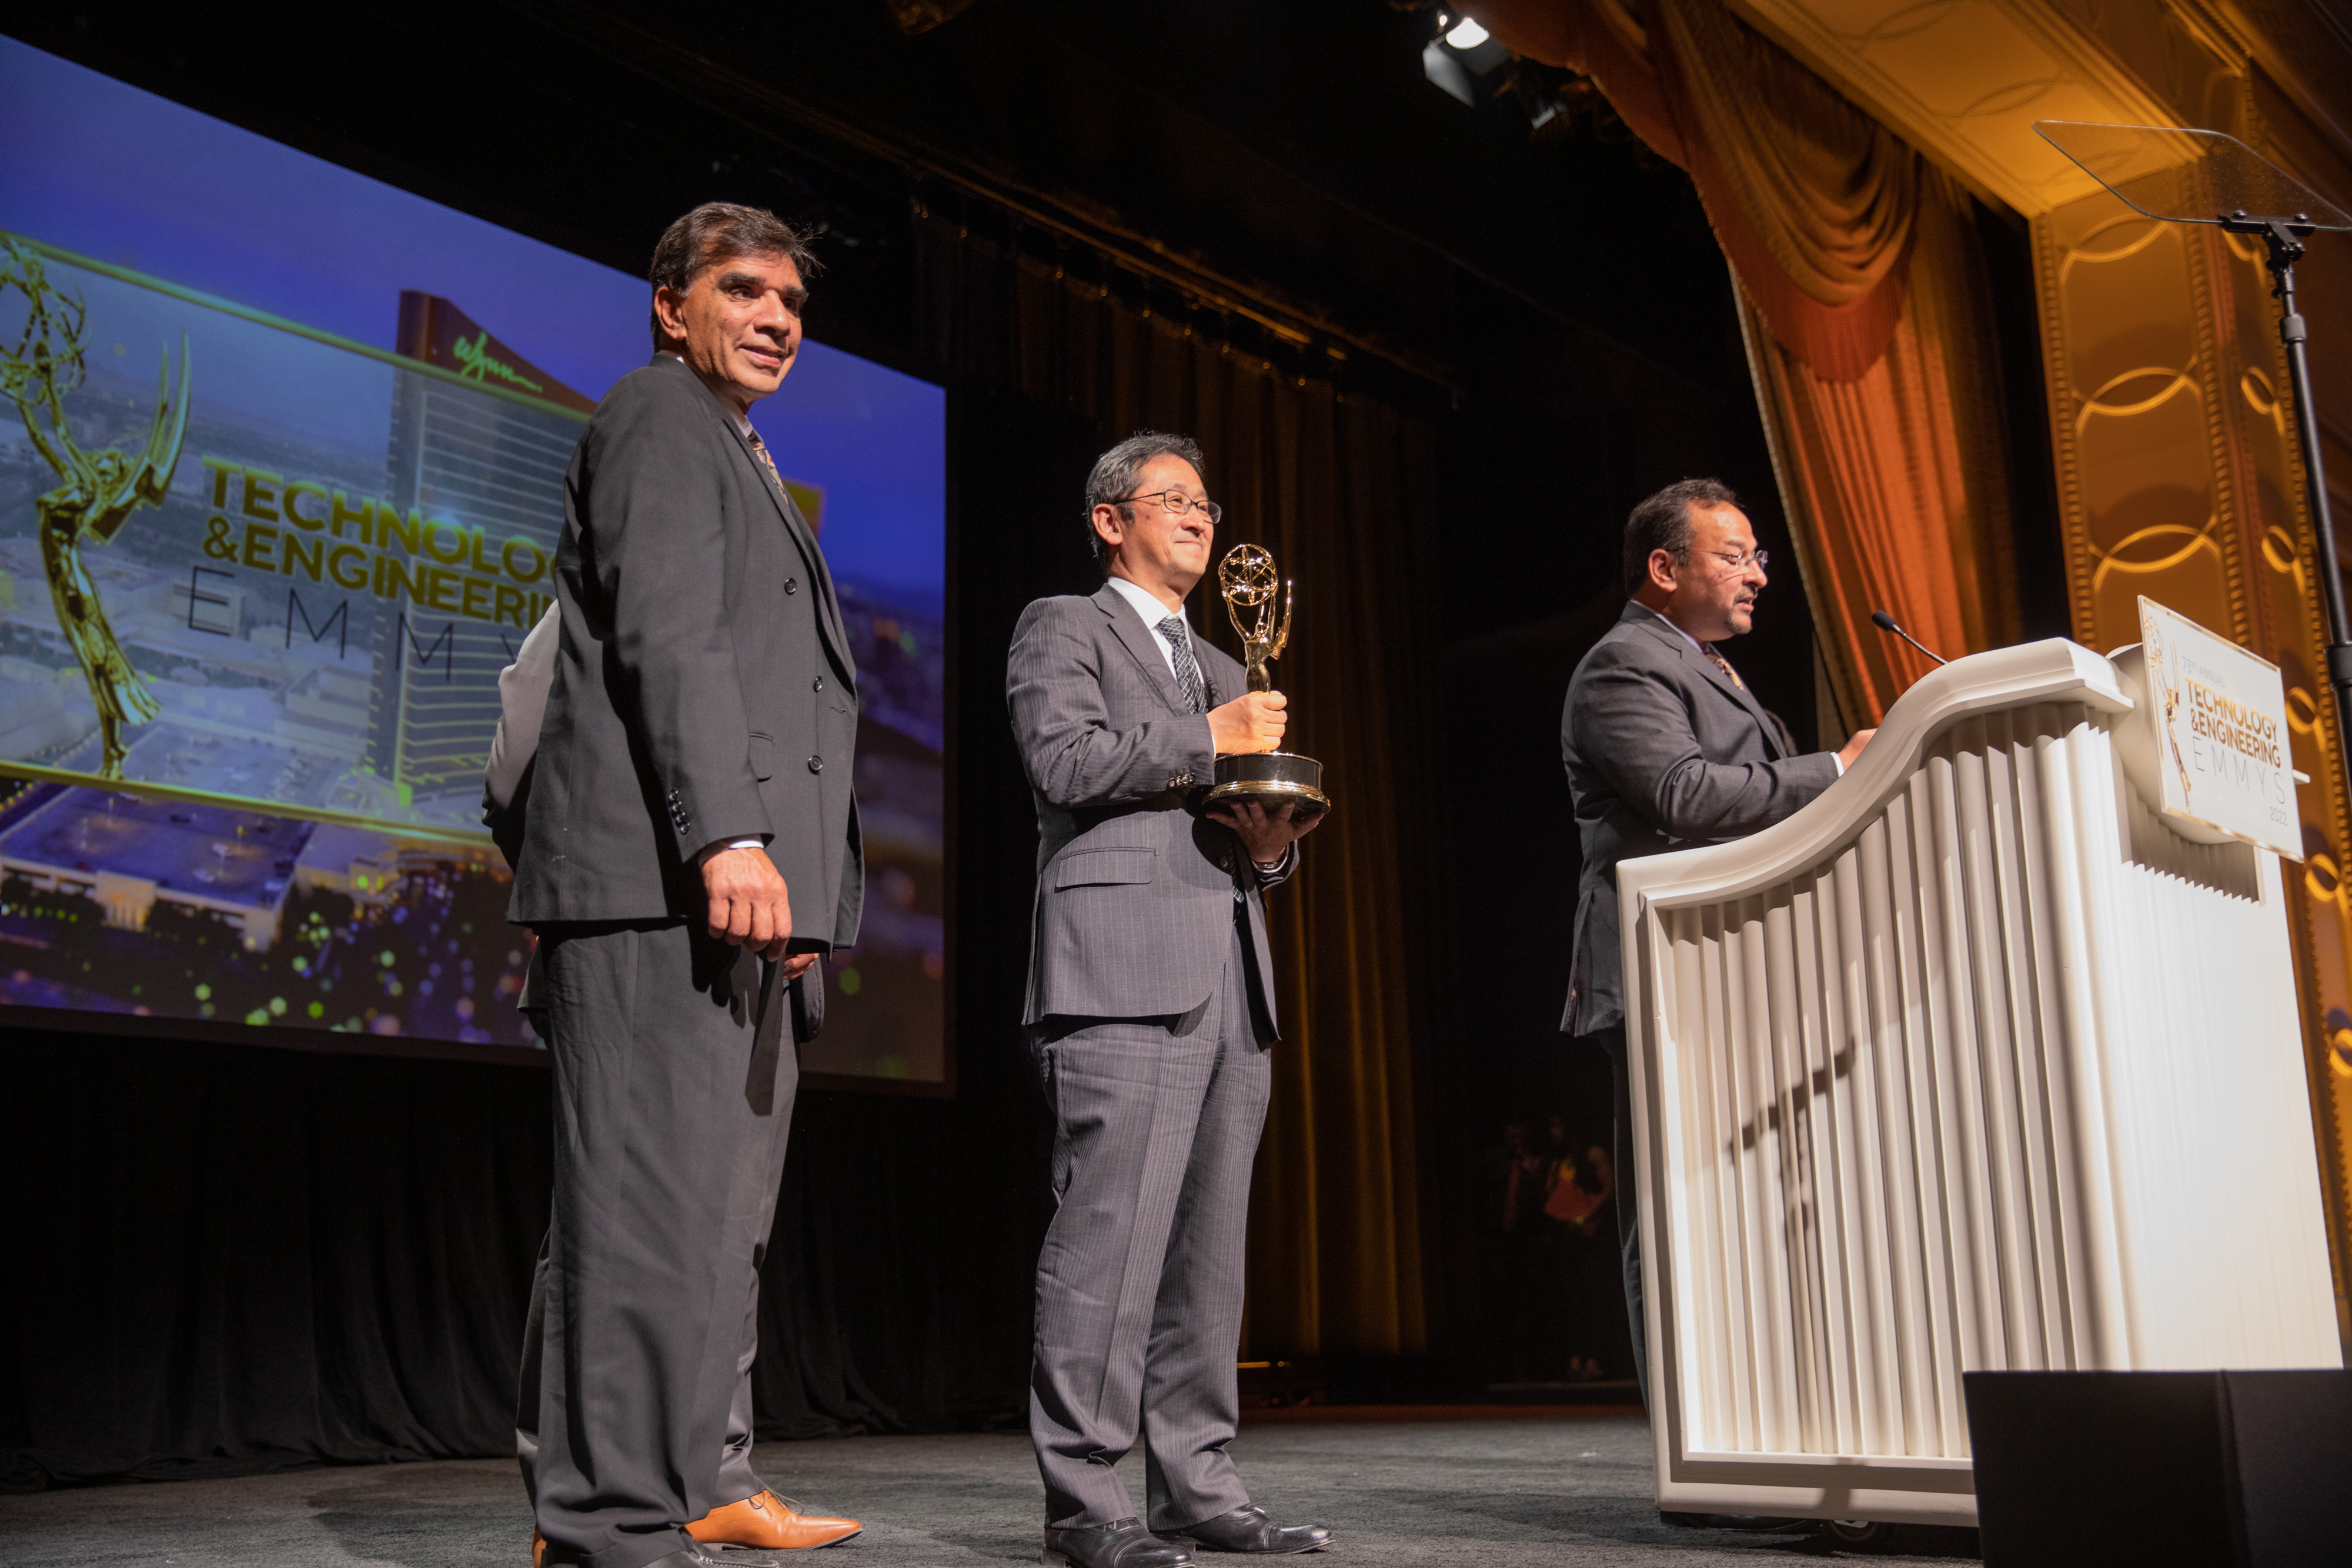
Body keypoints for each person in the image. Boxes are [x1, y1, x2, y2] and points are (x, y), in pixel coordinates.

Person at [508, 202, 866, 1568]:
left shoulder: (740, 449)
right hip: (660, 886)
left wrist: (798, 894)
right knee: (640, 1217)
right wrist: (727, 836)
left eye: (792, 301)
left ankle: (688, 1484)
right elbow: (667, 637)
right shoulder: (658, 414)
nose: (777, 317)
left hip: (735, 907)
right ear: (671, 305)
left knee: (715, 1229)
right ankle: (604, 1524)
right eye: (744, 289)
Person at [1006, 432, 1331, 1568]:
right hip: (1118, 968)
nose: (1199, 516)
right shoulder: (1063, 625)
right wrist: (1207, 739)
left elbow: (1248, 835)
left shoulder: (1233, 668)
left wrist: (1275, 847)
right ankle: (1087, 1505)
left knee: (1209, 1257)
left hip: (1232, 974)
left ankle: (1198, 1484)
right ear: (1111, 521)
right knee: (1109, 1244)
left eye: (1206, 503)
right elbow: (1062, 762)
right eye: (1173, 499)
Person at [1560, 477, 1874, 1413]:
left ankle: (1766, 1413)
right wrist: (1839, 770)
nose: (1758, 575)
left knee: (1745, 1203)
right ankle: (1693, 1430)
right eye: (1734, 556)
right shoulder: (1624, 665)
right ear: (1664, 569)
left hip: (1744, 963)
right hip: (1668, 965)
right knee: (1677, 1207)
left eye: (1757, 556)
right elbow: (1684, 795)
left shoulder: (1710, 667)